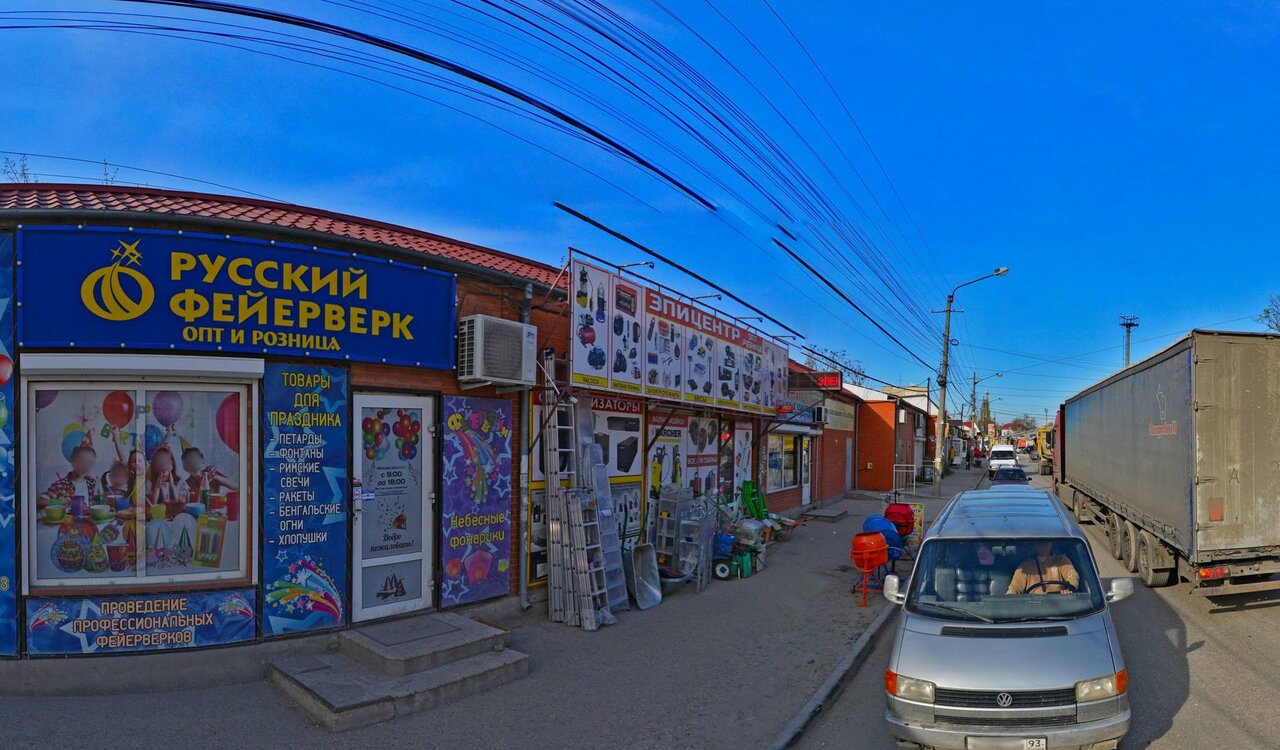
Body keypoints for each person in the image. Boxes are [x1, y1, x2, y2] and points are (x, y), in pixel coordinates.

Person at [1007, 541, 1079, 595]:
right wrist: (1010, 598)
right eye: (1040, 542)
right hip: (1034, 606)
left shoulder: (1062, 560)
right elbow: (1015, 588)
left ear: (1052, 543)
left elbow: (1072, 576)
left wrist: (1069, 589)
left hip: (1060, 603)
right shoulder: (1024, 567)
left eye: (1046, 541)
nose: (1043, 545)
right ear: (1034, 544)